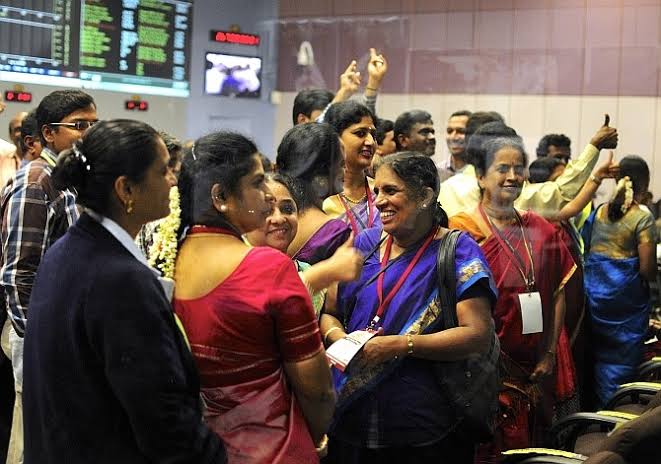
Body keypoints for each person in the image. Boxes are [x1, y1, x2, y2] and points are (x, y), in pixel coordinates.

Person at [21, 119, 226, 463]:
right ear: (126, 189)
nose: (173, 181)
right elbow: (160, 416)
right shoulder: (120, 279)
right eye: (163, 172)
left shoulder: (67, 251)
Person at [320, 152, 497, 463]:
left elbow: (478, 334)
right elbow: (330, 313)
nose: (379, 201)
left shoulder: (456, 250)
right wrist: (339, 340)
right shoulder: (363, 245)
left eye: (391, 191)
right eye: (377, 192)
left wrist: (402, 345)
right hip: (349, 418)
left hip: (423, 425)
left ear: (426, 196)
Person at [173, 131, 335, 463]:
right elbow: (316, 389)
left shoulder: (169, 259)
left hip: (196, 447)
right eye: (258, 183)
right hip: (272, 448)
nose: (267, 195)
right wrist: (317, 436)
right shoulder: (266, 267)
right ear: (221, 197)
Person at [449, 136, 578, 457]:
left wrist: (549, 353)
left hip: (534, 367)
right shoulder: (462, 232)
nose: (512, 176)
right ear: (480, 176)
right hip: (482, 368)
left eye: (518, 168)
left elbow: (559, 290)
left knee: (531, 447)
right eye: (502, 168)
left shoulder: (540, 228)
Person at [0, 89, 97, 464]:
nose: (89, 133)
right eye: (78, 126)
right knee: (31, 443)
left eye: (93, 124)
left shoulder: (70, 180)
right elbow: (18, 273)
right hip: (38, 336)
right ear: (48, 135)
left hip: (62, 335)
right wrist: (40, 343)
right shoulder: (37, 181)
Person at [582, 155, 657, 408]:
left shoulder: (600, 211)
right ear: (645, 184)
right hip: (626, 304)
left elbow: (587, 250)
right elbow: (646, 269)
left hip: (594, 299)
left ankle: (595, 413)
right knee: (622, 361)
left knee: (596, 357)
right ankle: (615, 411)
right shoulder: (642, 218)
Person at [439, 115, 618, 218]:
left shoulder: (446, 189)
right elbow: (561, 193)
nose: (512, 176)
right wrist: (594, 147)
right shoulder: (507, 193)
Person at [245, 173, 363, 316]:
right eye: (265, 211)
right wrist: (325, 274)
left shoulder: (303, 268)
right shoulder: (236, 266)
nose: (279, 218)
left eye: (287, 209)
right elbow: (263, 311)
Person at [277, 123, 351, 264]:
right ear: (321, 172)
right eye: (341, 164)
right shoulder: (334, 233)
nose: (346, 170)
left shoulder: (265, 217)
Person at [323, 101, 381, 235]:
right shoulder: (320, 198)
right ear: (335, 138)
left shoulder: (382, 192)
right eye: (360, 133)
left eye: (373, 135)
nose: (371, 142)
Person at [439, 110, 472, 181]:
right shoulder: (437, 171)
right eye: (449, 131)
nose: (453, 137)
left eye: (461, 131)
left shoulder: (480, 173)